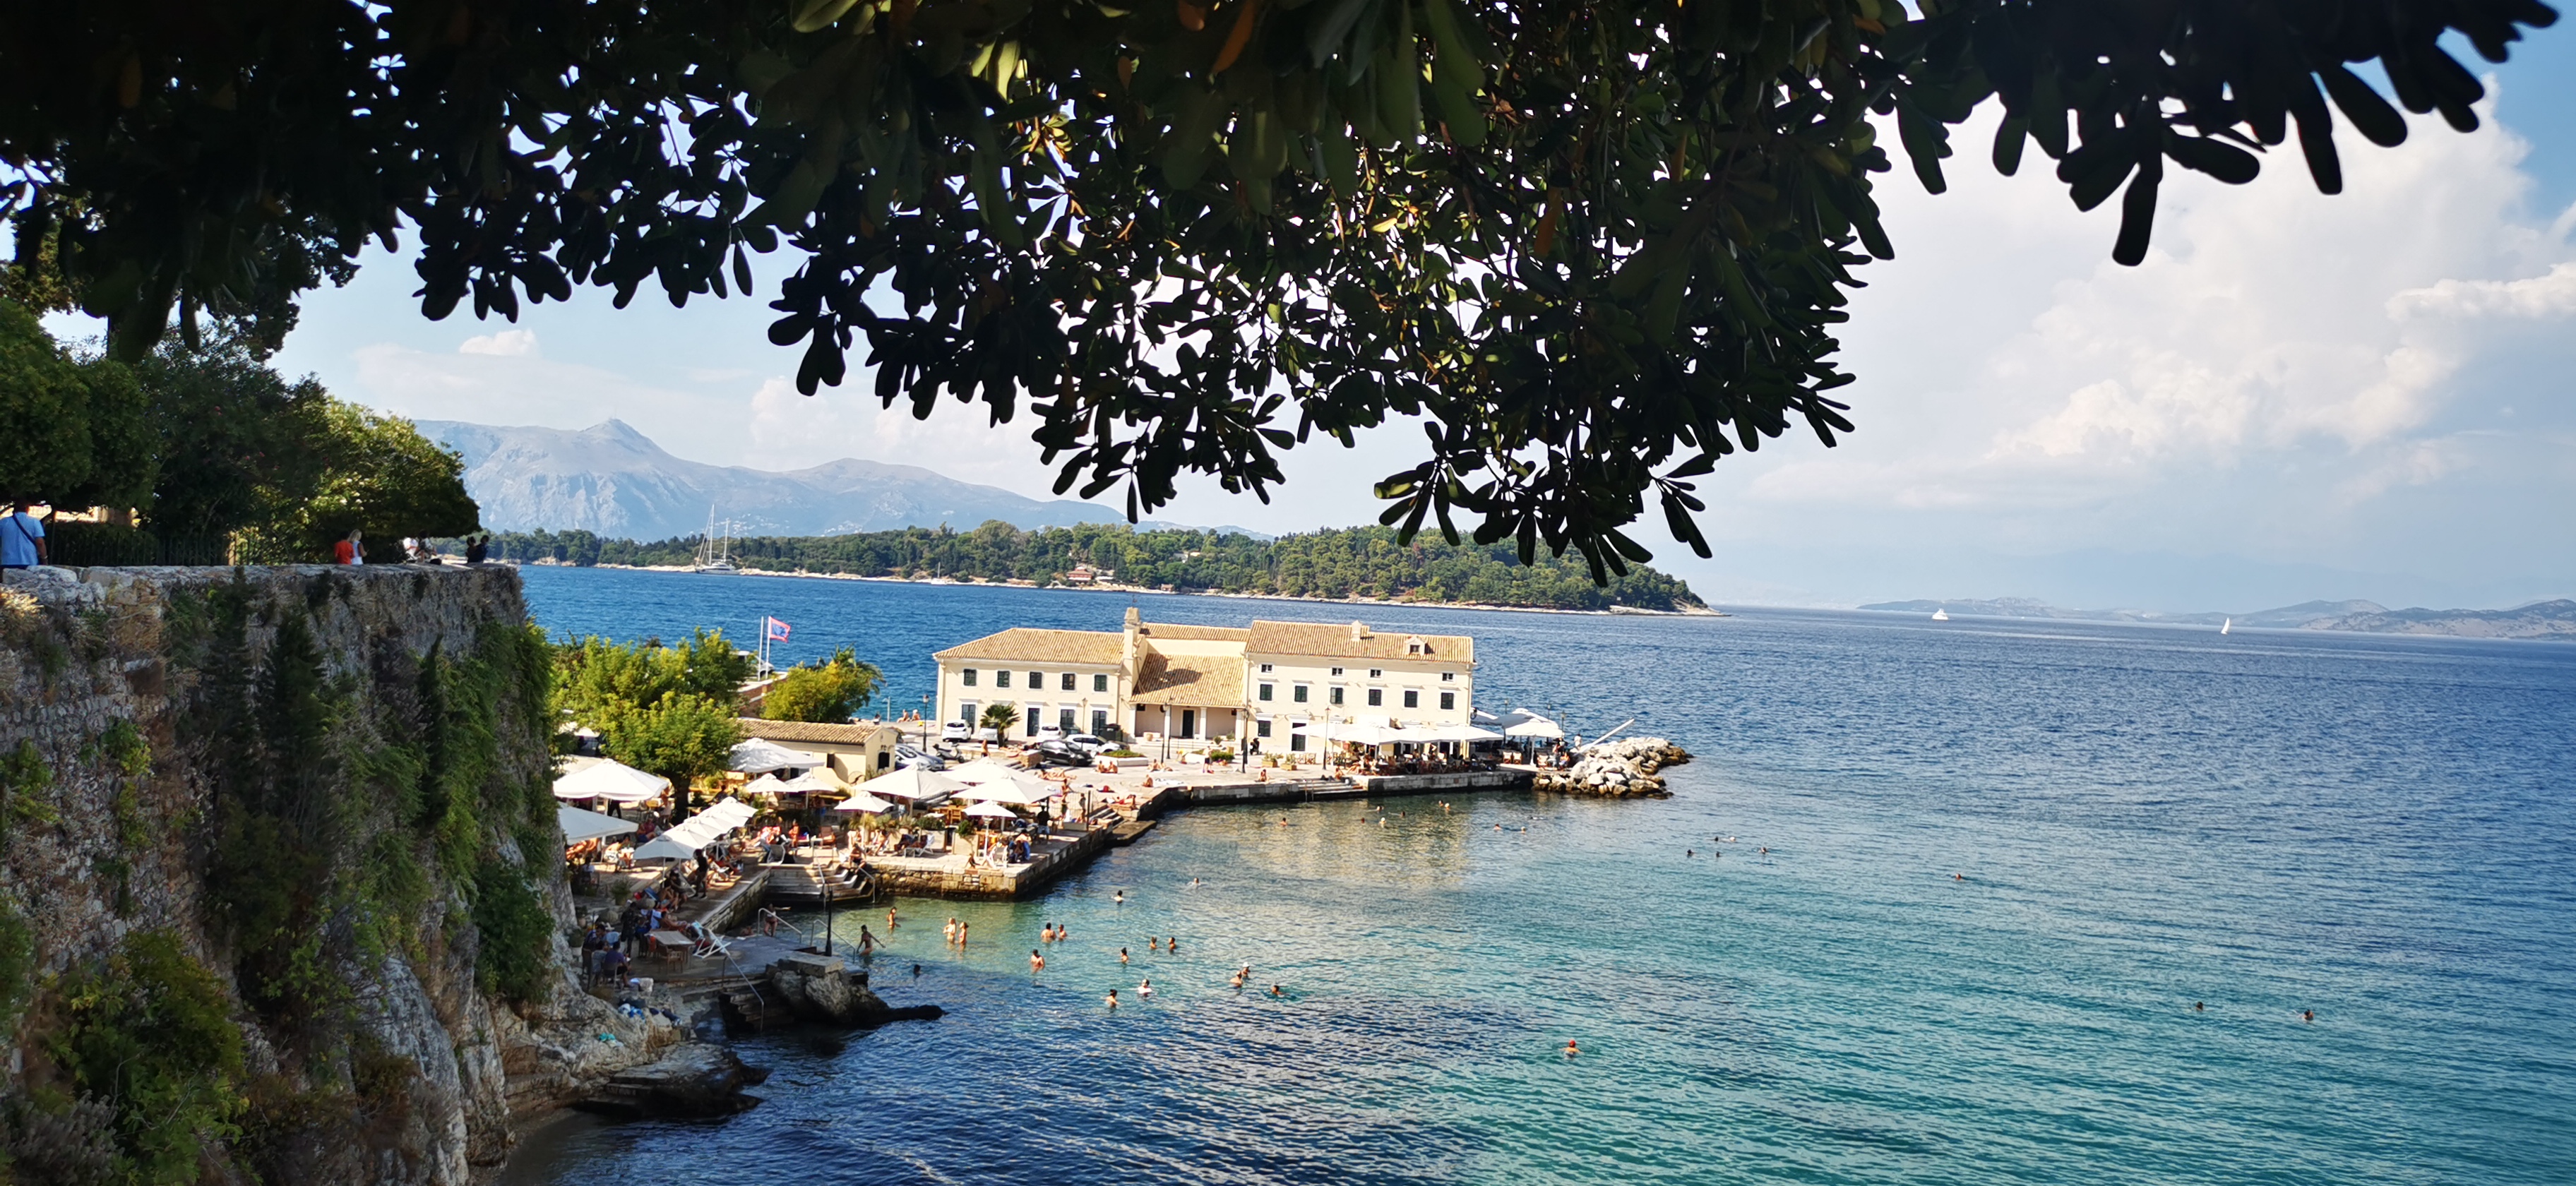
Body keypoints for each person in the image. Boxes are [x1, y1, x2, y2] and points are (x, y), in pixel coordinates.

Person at [1, 498, 45, 570]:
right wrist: (44, 559)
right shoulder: (34, 522)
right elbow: (40, 542)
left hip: (8, 561)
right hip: (29, 561)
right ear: (27, 509)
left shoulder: (4, 522)